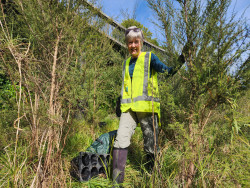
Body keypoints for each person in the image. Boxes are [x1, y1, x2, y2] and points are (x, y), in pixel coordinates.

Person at [112, 26, 185, 186]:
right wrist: (119, 101)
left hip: (147, 108)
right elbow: (127, 85)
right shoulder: (125, 63)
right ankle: (116, 182)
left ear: (141, 42)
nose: (133, 46)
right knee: (120, 141)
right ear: (126, 44)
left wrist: (181, 60)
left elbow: (168, 71)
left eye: (136, 42)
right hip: (128, 109)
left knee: (151, 144)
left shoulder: (149, 58)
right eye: (130, 42)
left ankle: (151, 178)